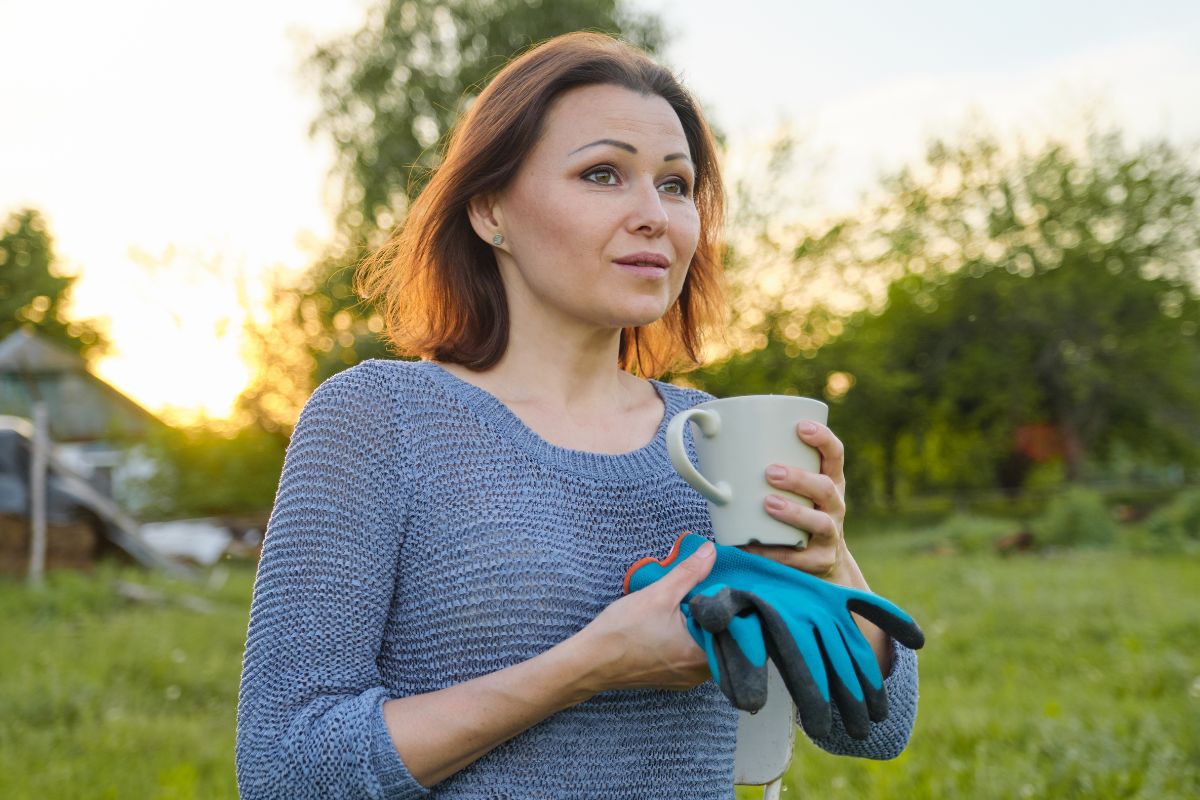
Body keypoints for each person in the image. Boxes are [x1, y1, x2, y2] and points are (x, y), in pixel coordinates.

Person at [236, 31, 919, 800]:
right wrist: (589, 665)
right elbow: (285, 767)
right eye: (603, 174)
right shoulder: (379, 420)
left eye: (675, 184)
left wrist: (830, 567)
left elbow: (877, 728)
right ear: (490, 209)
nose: (655, 216)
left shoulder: (713, 438)